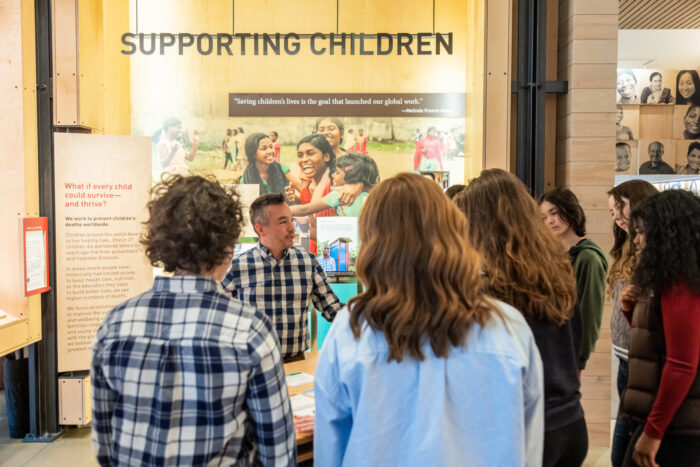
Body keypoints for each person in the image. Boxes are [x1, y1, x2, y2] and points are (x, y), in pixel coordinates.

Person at [314, 173, 544, 466]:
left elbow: (330, 446)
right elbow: (529, 445)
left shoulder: (352, 328)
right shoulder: (508, 326)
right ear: (454, 230)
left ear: (371, 241)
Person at [91, 175, 295, 466]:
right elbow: (277, 451)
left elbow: (105, 446)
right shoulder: (250, 329)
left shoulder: (115, 324)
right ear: (227, 245)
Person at [456, 169, 586, 467]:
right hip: (570, 421)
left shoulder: (493, 286)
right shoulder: (558, 268)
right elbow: (576, 344)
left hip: (527, 430)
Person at [618, 189, 700, 467]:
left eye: (642, 232)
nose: (637, 240)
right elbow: (660, 343)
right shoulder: (672, 277)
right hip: (674, 421)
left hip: (678, 426)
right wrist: (631, 313)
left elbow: (681, 364)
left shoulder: (680, 282)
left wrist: (654, 431)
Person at [221, 193, 343, 361]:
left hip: (295, 363)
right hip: (251, 364)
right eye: (283, 222)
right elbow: (216, 313)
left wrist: (372, 319)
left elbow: (333, 309)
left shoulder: (308, 262)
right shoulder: (237, 266)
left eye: (291, 220)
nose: (292, 227)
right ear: (260, 229)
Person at [606, 179, 658, 467]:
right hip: (626, 353)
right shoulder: (627, 244)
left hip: (641, 356)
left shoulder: (652, 247)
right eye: (613, 210)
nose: (615, 216)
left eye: (619, 207)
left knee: (625, 445)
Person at [539, 187, 609, 373]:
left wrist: (579, 359)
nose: (550, 221)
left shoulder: (588, 257)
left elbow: (590, 313)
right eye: (544, 217)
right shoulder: (551, 254)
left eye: (554, 213)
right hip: (549, 346)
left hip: (569, 352)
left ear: (569, 210)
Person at [286, 134, 362, 252]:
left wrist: (359, 184)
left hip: (335, 251)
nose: (304, 159)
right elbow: (310, 211)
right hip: (312, 249)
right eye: (300, 155)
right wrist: (296, 199)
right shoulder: (309, 185)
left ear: (326, 156)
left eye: (311, 153)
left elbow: (343, 233)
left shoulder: (337, 184)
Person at [290, 152, 378, 218]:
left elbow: (306, 209)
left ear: (351, 175)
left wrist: (281, 212)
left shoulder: (340, 193)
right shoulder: (374, 195)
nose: (333, 175)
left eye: (337, 172)